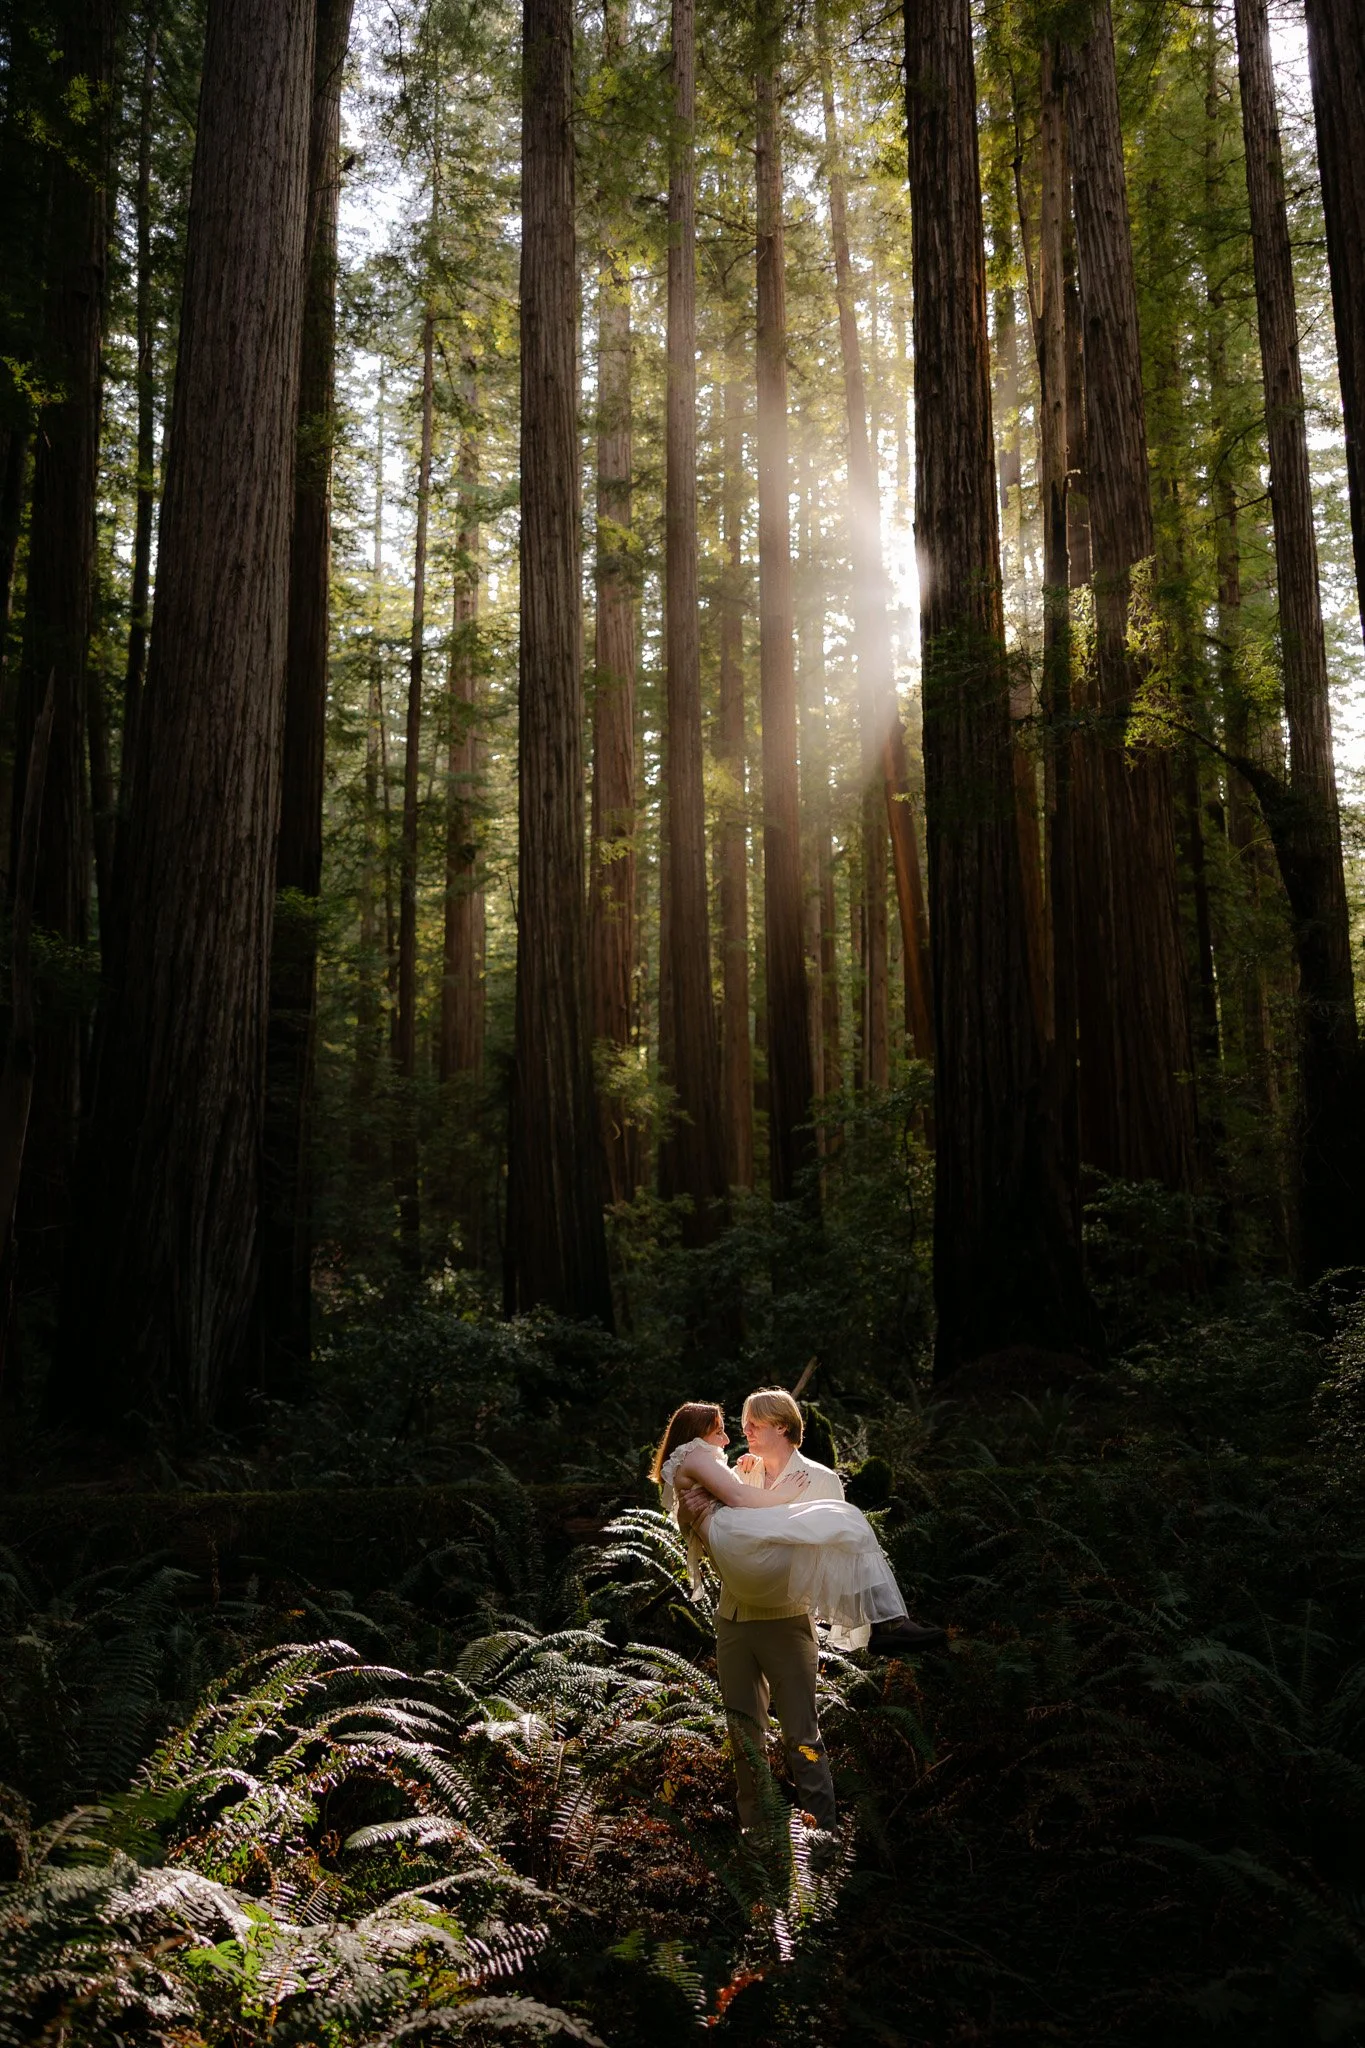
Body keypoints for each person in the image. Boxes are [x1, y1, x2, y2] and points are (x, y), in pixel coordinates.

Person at [652, 1390, 943, 1840]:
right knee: (744, 1738)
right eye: (740, 1423)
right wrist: (692, 1518)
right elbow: (722, 1546)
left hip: (786, 1621)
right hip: (734, 1619)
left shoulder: (821, 1480)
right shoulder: (736, 1473)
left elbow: (823, 1553)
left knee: (801, 1737)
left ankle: (821, 1838)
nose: (742, 1432)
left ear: (781, 1426)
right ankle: (758, 1837)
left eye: (753, 1423)